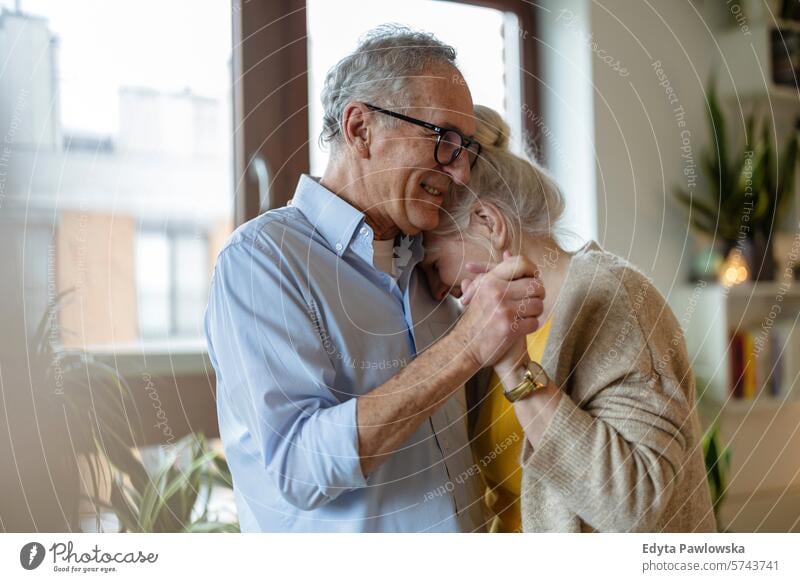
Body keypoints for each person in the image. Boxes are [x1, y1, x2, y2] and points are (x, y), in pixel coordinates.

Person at [204, 26, 544, 532]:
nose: (461, 173)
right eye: (443, 140)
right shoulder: (260, 262)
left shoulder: (433, 270)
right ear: (360, 129)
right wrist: (470, 343)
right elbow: (300, 468)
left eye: (466, 148)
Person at [421, 105, 717, 532]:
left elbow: (639, 507)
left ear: (488, 222)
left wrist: (515, 368)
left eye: (434, 265)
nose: (434, 288)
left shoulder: (617, 301)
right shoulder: (496, 321)